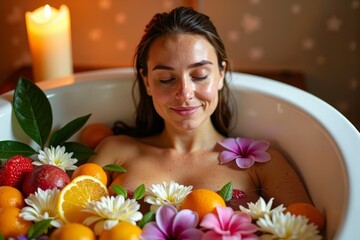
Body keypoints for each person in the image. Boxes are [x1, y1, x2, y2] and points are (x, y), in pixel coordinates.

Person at [89, 6, 312, 209]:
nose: (185, 93)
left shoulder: (261, 163)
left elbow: (305, 229)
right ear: (147, 82)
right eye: (166, 78)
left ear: (221, 74)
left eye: (199, 75)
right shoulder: (116, 152)